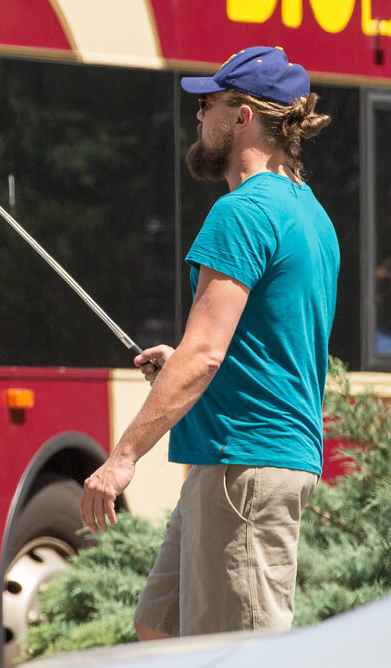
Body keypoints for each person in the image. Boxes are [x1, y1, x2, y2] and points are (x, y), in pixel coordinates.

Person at [80, 45, 340, 639]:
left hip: (244, 466)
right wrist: (181, 366)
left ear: (242, 116)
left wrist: (122, 461)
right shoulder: (310, 213)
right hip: (237, 462)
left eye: (208, 105)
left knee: (237, 655)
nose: (198, 116)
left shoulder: (241, 212)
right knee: (158, 631)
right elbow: (268, 346)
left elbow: (205, 352)